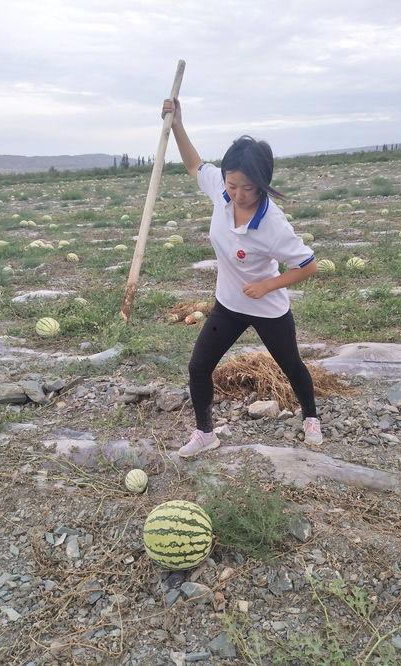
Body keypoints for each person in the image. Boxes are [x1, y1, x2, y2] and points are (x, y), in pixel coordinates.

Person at [161, 97, 323, 457]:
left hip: (268, 308)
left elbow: (309, 266)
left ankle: (311, 417)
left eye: (247, 188)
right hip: (229, 304)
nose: (238, 194)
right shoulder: (221, 190)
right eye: (232, 185)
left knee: (291, 365)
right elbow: (194, 164)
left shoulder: (273, 224)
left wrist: (268, 285)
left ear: (262, 184)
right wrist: (177, 124)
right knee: (199, 366)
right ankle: (205, 433)